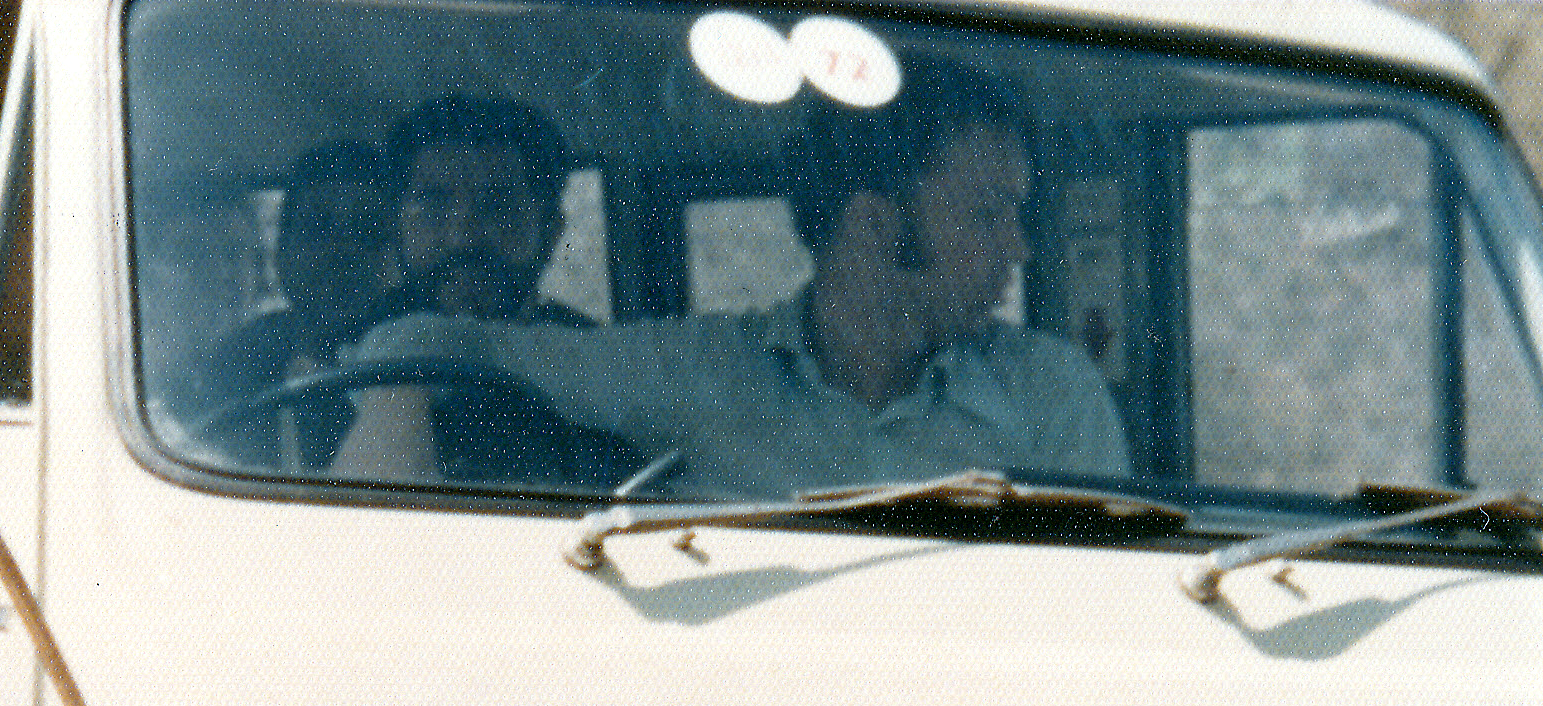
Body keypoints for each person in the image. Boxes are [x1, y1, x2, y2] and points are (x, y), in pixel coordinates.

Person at [338, 59, 1125, 496]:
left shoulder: (1052, 395)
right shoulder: (696, 370)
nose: (1017, 249)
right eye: (987, 214)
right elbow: (427, 339)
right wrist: (394, 407)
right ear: (876, 224)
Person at [171, 139, 395, 465]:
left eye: (365, 232)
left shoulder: (425, 359)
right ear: (281, 254)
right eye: (318, 229)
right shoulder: (239, 361)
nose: (341, 251)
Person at [371, 94, 595, 329]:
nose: (463, 239)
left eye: (498, 209)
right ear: (395, 226)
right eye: (434, 208)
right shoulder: (346, 355)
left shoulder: (594, 353)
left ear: (550, 231)